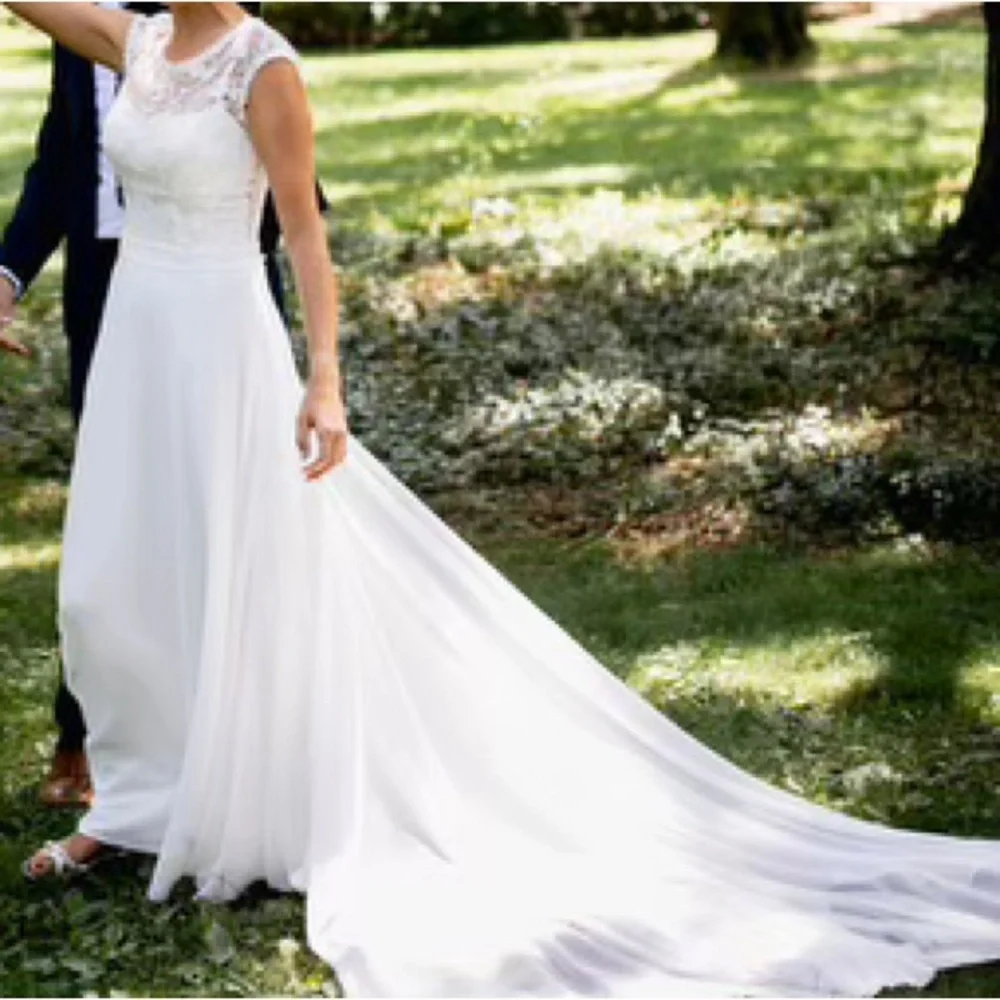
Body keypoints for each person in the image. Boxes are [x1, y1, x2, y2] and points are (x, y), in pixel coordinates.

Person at [7, 4, 1000, 997]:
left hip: (221, 343)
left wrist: (326, 382)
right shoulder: (136, 42)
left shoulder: (263, 65)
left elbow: (303, 231)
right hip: (136, 339)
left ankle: (203, 799)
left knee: (234, 571)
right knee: (116, 582)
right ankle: (136, 799)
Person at [0, 0, 292, 809]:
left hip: (221, 281)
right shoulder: (93, 26)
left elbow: (274, 157)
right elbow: (62, 159)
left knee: (229, 509)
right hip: (113, 286)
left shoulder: (229, 24)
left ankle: (242, 732)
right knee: (113, 505)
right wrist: (7, 274)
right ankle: (90, 734)